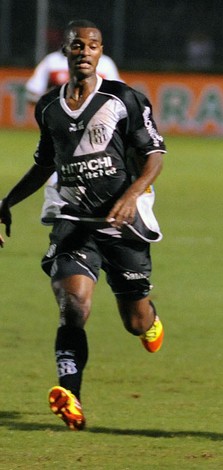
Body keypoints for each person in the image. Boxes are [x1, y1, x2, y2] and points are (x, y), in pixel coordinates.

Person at [0, 19, 166, 431]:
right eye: (77, 45)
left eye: (92, 45)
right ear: (67, 52)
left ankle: (150, 319)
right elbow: (44, 163)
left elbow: (155, 156)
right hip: (73, 221)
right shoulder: (50, 107)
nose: (84, 51)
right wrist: (7, 202)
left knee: (136, 322)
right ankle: (70, 395)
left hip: (122, 223)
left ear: (101, 52)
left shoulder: (124, 99)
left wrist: (131, 196)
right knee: (72, 306)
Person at [25, 41, 122, 225]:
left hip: (96, 129)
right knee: (58, 160)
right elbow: (32, 94)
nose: (84, 50)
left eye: (91, 44)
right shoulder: (51, 62)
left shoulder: (106, 64)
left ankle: (76, 212)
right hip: (62, 127)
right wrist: (55, 108)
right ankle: (58, 203)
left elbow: (118, 96)